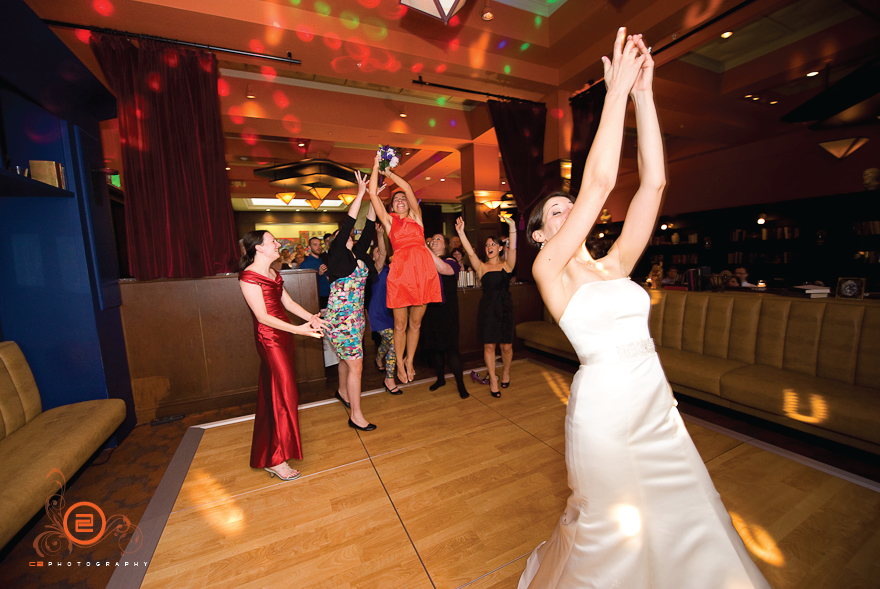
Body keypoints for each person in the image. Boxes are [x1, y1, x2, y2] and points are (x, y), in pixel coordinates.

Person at [518, 29, 770, 589]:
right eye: (557, 213)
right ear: (539, 237)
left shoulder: (616, 266)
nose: (569, 213)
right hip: (604, 413)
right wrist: (613, 93)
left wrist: (643, 96)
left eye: (569, 207)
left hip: (657, 403)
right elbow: (601, 183)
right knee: (615, 529)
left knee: (685, 512)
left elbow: (653, 185)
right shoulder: (548, 272)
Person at [238, 230, 324, 481]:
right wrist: (298, 329)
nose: (277, 244)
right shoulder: (248, 277)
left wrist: (311, 318)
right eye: (272, 241)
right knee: (284, 394)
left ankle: (269, 455)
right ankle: (276, 458)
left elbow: (287, 303)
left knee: (273, 394)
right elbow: (263, 317)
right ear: (259, 248)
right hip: (270, 339)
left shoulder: (274, 273)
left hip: (284, 335)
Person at [368, 154, 442, 384]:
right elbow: (372, 194)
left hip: (422, 272)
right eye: (396, 199)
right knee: (399, 324)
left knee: (416, 323)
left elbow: (408, 187)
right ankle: (398, 362)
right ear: (391, 206)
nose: (400, 199)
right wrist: (375, 166)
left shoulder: (417, 219)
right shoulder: (390, 222)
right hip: (400, 273)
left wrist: (389, 172)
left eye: (403, 198)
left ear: (409, 203)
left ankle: (410, 360)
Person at [325, 171, 378, 431]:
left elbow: (368, 227)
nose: (346, 234)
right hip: (341, 320)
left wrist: (374, 197)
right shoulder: (336, 256)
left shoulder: (357, 253)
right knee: (356, 364)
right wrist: (360, 192)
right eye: (341, 233)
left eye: (347, 234)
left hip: (356, 318)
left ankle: (342, 392)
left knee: (347, 360)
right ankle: (356, 415)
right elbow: (350, 221)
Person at [455, 214, 517, 397]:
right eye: (487, 245)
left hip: (505, 308)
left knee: (506, 346)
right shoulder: (481, 267)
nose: (489, 247)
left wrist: (512, 225)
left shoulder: (507, 265)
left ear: (499, 248)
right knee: (489, 347)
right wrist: (461, 233)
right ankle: (493, 378)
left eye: (492, 244)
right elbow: (471, 253)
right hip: (488, 310)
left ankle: (505, 371)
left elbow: (513, 248)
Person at [421, 234, 469, 399]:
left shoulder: (451, 261)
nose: (434, 241)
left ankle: (461, 385)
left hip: (447, 311)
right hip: (430, 310)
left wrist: (425, 247)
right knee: (435, 348)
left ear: (446, 246)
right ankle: (440, 379)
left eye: (438, 239)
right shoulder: (426, 261)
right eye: (432, 239)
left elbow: (442, 269)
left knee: (452, 349)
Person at [367, 223, 400, 395]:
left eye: (380, 251)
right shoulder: (376, 269)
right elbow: (384, 255)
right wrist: (380, 236)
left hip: (391, 312)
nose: (380, 254)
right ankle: (389, 379)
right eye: (376, 253)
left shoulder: (390, 268)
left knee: (388, 342)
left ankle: (379, 357)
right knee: (393, 343)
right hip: (378, 313)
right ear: (373, 258)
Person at [299, 237, 331, 309]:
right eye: (315, 245)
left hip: (328, 296)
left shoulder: (321, 260)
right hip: (317, 298)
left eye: (320, 245)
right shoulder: (306, 264)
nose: (318, 247)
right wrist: (319, 274)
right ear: (309, 247)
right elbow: (306, 285)